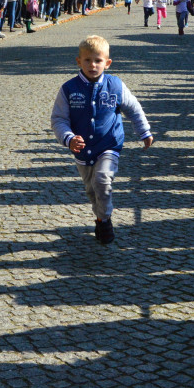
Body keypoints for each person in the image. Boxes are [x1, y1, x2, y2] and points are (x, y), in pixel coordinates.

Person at [50, 35, 153, 244]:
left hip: (109, 145)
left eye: (98, 60)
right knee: (91, 190)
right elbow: (59, 119)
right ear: (79, 61)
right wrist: (68, 139)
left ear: (107, 63)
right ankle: (99, 216)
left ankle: (105, 220)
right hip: (82, 151)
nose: (93, 65)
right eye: (87, 60)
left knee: (102, 181)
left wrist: (144, 131)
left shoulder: (115, 85)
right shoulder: (69, 89)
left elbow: (133, 109)